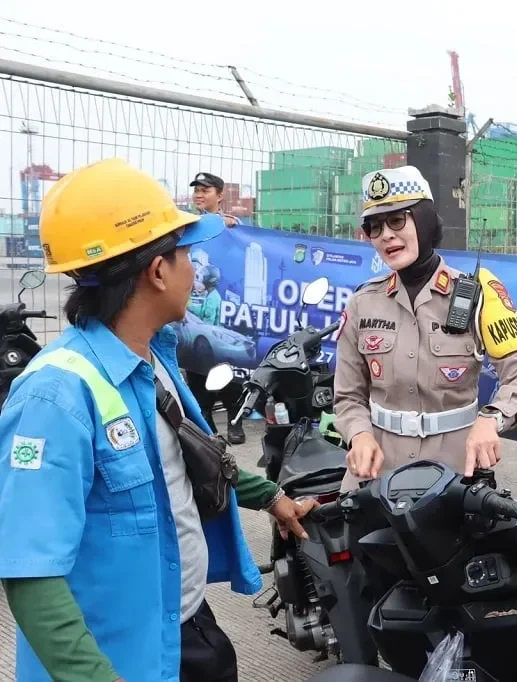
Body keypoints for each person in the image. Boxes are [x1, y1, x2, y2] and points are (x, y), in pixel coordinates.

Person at [0, 158, 317, 682]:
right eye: (187, 253)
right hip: (120, 658)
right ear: (157, 271)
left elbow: (185, 458)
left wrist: (272, 498)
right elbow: (31, 576)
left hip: (185, 626)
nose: (194, 269)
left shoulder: (152, 359)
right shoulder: (55, 397)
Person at [333, 165, 517, 492]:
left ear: (425, 221)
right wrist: (359, 434)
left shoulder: (478, 293)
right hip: (376, 471)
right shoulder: (363, 302)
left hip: (453, 474)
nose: (386, 234)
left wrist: (492, 419)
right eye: (374, 226)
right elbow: (348, 396)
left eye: (397, 220)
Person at [186, 172, 246, 445]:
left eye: (205, 190)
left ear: (220, 195)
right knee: (196, 369)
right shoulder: (187, 225)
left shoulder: (234, 228)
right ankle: (207, 424)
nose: (199, 194)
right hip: (191, 309)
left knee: (226, 366)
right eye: (196, 190)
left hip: (221, 308)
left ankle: (235, 419)